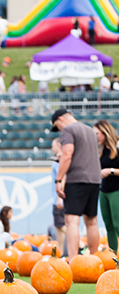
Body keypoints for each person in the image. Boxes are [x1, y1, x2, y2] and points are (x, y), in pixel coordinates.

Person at [51, 109, 101, 258]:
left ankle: (73, 261)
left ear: (60, 120)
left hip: (77, 178)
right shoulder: (90, 131)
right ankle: (94, 259)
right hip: (94, 178)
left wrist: (59, 179)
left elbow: (67, 154)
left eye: (57, 126)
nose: (59, 130)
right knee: (91, 221)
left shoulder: (68, 129)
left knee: (71, 221)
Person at [96, 120, 119, 252]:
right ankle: (113, 256)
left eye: (97, 133)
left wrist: (110, 171)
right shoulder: (102, 149)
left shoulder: (118, 146)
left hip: (116, 190)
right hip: (104, 191)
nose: (96, 137)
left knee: (117, 225)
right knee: (109, 226)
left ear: (105, 132)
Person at [50, 138, 67, 254]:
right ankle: (60, 251)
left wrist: (59, 198)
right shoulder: (57, 160)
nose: (52, 148)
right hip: (56, 198)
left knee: (61, 225)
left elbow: (63, 178)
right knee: (58, 227)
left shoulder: (61, 160)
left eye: (53, 146)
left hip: (59, 198)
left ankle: (80, 243)